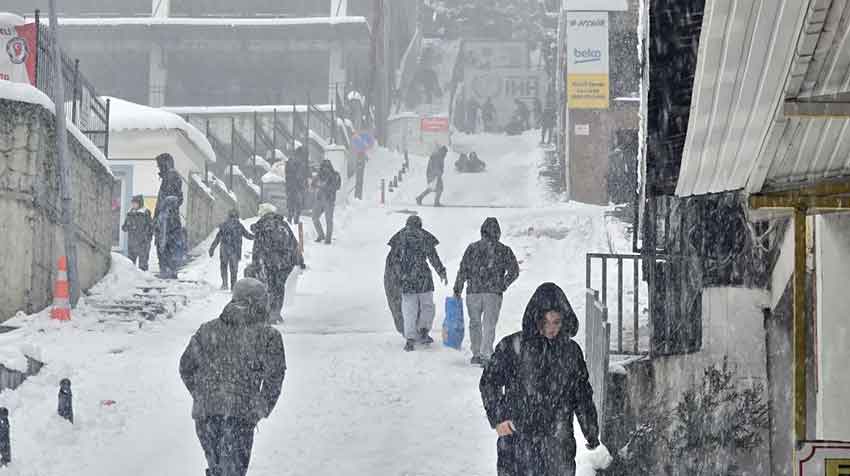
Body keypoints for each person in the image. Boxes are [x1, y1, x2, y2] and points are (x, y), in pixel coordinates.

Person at [479, 283, 600, 476]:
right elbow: (489, 381)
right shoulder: (512, 347)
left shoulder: (570, 352)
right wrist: (499, 417)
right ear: (535, 319)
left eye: (556, 322)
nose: (551, 328)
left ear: (564, 320)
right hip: (518, 441)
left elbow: (582, 394)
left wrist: (590, 430)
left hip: (558, 443)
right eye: (545, 322)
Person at [179, 278, 286, 476]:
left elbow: (186, 367)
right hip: (240, 416)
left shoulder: (207, 330)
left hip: (206, 416)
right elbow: (275, 377)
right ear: (259, 303)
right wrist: (260, 407)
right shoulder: (269, 336)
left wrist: (203, 395)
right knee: (233, 471)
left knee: (218, 469)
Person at [454, 218, 520, 367]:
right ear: (498, 232)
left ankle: (476, 354)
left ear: (482, 231)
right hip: (493, 293)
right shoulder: (504, 250)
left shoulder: (472, 248)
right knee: (489, 325)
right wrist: (503, 284)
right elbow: (514, 271)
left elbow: (463, 269)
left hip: (473, 291)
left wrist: (458, 288)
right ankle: (485, 355)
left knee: (475, 324)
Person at [388, 215, 447, 351]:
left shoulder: (399, 238)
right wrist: (441, 271)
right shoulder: (424, 237)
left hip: (407, 280)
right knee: (427, 307)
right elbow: (433, 257)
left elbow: (393, 262)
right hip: (423, 278)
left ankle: (410, 338)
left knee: (409, 310)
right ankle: (423, 331)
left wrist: (399, 277)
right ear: (420, 225)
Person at [248, 206, 305, 323]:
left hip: (271, 262)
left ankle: (271, 313)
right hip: (286, 262)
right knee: (279, 286)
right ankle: (276, 312)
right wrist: (300, 260)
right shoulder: (283, 224)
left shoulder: (262, 226)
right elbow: (294, 243)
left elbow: (257, 248)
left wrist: (255, 264)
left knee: (271, 287)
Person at [153, 153, 184, 279]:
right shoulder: (169, 177)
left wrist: (166, 206)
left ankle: (167, 270)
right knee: (166, 243)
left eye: (159, 165)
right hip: (167, 217)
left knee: (166, 243)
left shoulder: (172, 177)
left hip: (168, 218)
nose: (158, 168)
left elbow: (177, 198)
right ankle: (168, 269)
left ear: (165, 164)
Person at [209, 209, 255, 291]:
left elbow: (217, 238)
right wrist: (257, 236)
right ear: (237, 216)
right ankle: (233, 286)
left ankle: (224, 284)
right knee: (234, 269)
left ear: (228, 216)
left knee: (223, 267)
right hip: (235, 250)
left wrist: (212, 249)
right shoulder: (239, 226)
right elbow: (248, 235)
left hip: (224, 250)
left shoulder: (224, 225)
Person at [311, 159, 342, 245]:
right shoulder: (319, 175)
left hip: (329, 200)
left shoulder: (335, 175)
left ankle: (328, 238)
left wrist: (326, 186)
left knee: (328, 220)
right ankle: (321, 235)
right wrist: (317, 185)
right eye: (324, 167)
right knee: (314, 217)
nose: (325, 169)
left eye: (327, 167)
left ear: (330, 167)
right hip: (319, 199)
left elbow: (337, 186)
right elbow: (313, 184)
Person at [121, 195, 154, 271]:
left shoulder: (145, 213)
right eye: (132, 203)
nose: (133, 205)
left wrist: (147, 238)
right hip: (132, 242)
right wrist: (127, 226)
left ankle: (143, 276)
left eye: (135, 203)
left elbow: (150, 227)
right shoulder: (130, 213)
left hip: (143, 243)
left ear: (140, 203)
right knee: (131, 264)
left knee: (143, 264)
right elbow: (124, 227)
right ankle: (132, 276)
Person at [285, 146, 310, 225]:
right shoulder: (300, 162)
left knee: (292, 203)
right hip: (297, 186)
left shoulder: (291, 161)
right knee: (297, 203)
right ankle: (294, 219)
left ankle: (291, 218)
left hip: (292, 186)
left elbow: (287, 173)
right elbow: (305, 174)